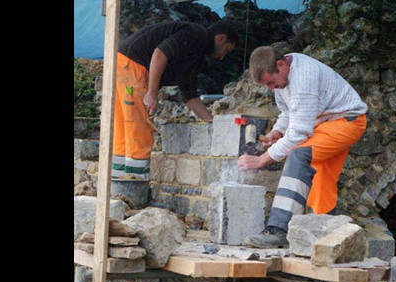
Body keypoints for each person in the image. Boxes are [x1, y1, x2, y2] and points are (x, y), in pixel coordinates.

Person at [239, 46, 368, 248]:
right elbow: (288, 112)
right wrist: (278, 131)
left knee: (300, 155)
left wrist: (262, 160)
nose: (271, 88)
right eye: (267, 85)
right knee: (321, 176)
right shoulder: (284, 78)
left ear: (281, 65)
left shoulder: (303, 78)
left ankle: (278, 229)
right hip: (328, 122)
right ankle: (326, 235)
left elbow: (299, 133)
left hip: (347, 122)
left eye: (271, 82)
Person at [112, 20, 238, 179]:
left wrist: (211, 121)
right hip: (134, 66)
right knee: (139, 127)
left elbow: (190, 95)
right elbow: (160, 53)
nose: (221, 57)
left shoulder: (195, 55)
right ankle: (135, 183)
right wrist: (152, 93)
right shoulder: (196, 35)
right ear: (220, 38)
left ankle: (117, 183)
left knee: (123, 126)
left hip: (122, 63)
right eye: (226, 50)